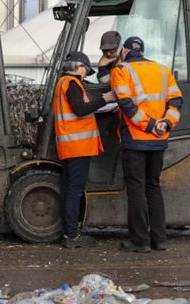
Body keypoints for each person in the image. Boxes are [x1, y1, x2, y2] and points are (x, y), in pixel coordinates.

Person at [110, 37, 183, 253]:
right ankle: (160, 239)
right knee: (153, 187)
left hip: (136, 139)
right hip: (159, 141)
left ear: (124, 51)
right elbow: (176, 100)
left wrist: (150, 125)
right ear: (142, 51)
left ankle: (140, 241)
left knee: (136, 189)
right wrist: (166, 123)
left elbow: (125, 103)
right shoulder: (162, 70)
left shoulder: (121, 70)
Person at [54, 51, 115, 248]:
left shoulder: (64, 83)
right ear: (78, 67)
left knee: (70, 189)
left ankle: (70, 233)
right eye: (85, 69)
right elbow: (80, 109)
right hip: (77, 146)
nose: (86, 73)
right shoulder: (71, 84)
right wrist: (105, 99)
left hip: (71, 145)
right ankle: (72, 236)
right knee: (74, 190)